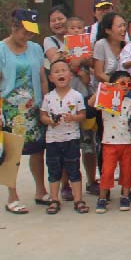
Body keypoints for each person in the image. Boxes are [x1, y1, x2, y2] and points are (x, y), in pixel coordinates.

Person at [0, 8, 48, 214]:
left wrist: (46, 104)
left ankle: (41, 190)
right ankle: (12, 196)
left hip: (33, 107)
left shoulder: (35, 49)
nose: (27, 36)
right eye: (24, 32)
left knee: (38, 150)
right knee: (12, 153)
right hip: (10, 110)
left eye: (31, 32)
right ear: (14, 27)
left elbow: (42, 78)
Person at [39, 59, 88, 214]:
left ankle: (78, 199)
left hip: (71, 138)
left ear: (70, 75)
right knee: (54, 170)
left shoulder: (76, 96)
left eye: (64, 70)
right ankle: (54, 199)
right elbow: (43, 115)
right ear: (51, 78)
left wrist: (73, 118)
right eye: (56, 71)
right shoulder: (48, 97)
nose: (60, 73)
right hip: (52, 139)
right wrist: (49, 121)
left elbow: (82, 115)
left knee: (74, 168)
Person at [91, 69, 131, 213]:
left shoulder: (130, 102)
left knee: (127, 170)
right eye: (122, 83)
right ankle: (102, 197)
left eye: (129, 84)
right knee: (107, 171)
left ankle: (125, 196)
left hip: (127, 142)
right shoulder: (105, 99)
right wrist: (103, 88)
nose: (126, 86)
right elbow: (91, 103)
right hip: (109, 143)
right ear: (114, 84)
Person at [89, 12, 127, 195]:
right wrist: (116, 84)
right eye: (119, 26)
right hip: (106, 97)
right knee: (105, 139)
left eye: (124, 25)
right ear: (108, 30)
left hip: (125, 97)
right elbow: (98, 72)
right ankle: (105, 183)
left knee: (126, 140)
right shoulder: (101, 45)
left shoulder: (127, 46)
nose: (123, 29)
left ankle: (126, 186)